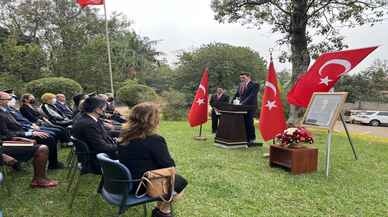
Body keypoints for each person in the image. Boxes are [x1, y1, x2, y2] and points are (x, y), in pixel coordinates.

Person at [118, 102, 187, 217]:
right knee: (180, 182)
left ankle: (158, 210)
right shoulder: (154, 139)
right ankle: (163, 211)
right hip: (140, 185)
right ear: (152, 120)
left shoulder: (124, 134)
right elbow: (170, 167)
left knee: (170, 181)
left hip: (123, 182)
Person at [0, 92, 64, 170]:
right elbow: (6, 133)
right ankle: (53, 164)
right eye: (8, 99)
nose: (11, 100)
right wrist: (29, 132)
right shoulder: (1, 113)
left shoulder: (5, 110)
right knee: (48, 137)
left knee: (50, 135)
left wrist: (31, 129)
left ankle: (53, 163)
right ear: (0, 101)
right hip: (16, 137)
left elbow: (19, 123)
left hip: (23, 131)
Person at [71, 96, 118, 174]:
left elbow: (104, 135)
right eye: (104, 107)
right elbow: (102, 147)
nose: (105, 110)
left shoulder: (89, 119)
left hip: (99, 155)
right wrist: (122, 145)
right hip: (99, 161)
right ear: (97, 109)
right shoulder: (89, 124)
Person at [233, 72, 260, 146]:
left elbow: (252, 96)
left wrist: (242, 103)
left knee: (249, 122)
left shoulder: (255, 84)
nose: (242, 79)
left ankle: (251, 139)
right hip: (241, 107)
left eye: (243, 78)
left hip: (250, 107)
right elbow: (237, 94)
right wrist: (231, 102)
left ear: (248, 77)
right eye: (241, 78)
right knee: (243, 122)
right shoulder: (241, 85)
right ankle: (244, 138)